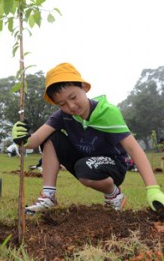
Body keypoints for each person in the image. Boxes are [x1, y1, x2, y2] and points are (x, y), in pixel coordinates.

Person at [12, 62, 164, 214]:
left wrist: (153, 189)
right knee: (52, 137)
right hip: (83, 161)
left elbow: (134, 149)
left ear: (84, 87)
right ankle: (48, 197)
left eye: (73, 97)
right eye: (62, 104)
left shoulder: (107, 113)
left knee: (84, 168)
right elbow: (36, 140)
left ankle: (114, 194)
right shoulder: (63, 116)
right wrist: (22, 138)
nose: (71, 106)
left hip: (113, 166)